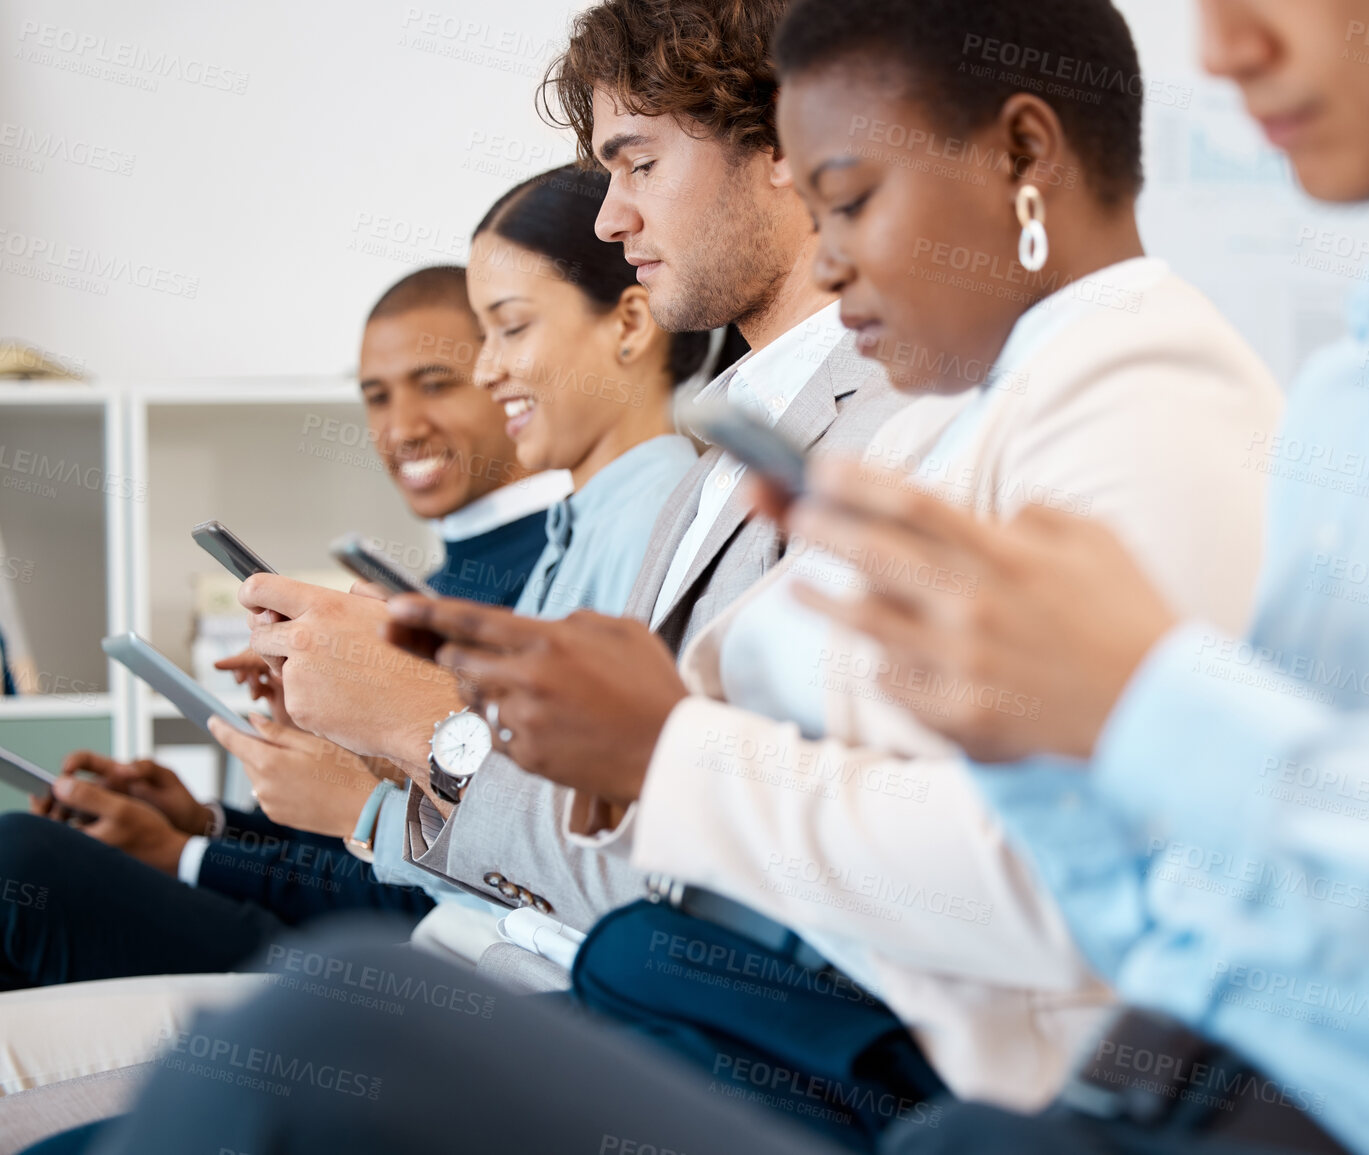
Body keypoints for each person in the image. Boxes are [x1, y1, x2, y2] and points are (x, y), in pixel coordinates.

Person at [240, 0, 1280, 1130]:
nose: (827, 259)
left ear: (1023, 156)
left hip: (916, 1090)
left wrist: (633, 750)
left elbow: (1082, 874)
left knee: (309, 1028)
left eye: (852, 199)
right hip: (741, 1015)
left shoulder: (1129, 388)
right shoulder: (975, 407)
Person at [760, 0, 1369, 1152]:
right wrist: (1022, 733)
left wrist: (1158, 703)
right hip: (1147, 1088)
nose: (1223, 53)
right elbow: (1203, 927)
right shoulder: (1365, 377)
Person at [0, 169, 703, 1108]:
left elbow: (552, 850)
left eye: (507, 331)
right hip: (439, 952)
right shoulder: (575, 539)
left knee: (21, 873)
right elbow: (488, 820)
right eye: (375, 393)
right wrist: (228, 815)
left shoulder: (654, 528)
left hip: (462, 973)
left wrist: (334, 807)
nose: (492, 371)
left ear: (626, 323)